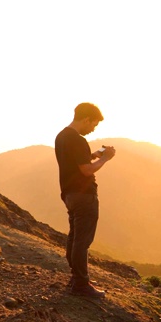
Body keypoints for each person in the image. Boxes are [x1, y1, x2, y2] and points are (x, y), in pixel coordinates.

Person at [54, 102, 116, 298]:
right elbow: (86, 170)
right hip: (84, 195)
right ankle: (81, 283)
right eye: (94, 124)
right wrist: (106, 159)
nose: (93, 129)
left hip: (69, 194)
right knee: (83, 241)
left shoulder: (62, 136)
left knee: (74, 237)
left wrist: (94, 155)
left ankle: (77, 277)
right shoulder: (78, 140)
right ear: (87, 119)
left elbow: (75, 162)